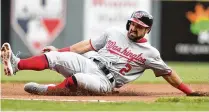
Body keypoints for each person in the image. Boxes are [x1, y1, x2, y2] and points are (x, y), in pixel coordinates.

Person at [1, 11, 204, 96]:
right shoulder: (114, 32)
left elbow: (169, 73)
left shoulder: (150, 53)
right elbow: (85, 46)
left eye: (139, 26)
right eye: (132, 24)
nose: (133, 28)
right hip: (89, 62)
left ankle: (47, 90)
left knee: (77, 80)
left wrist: (189, 91)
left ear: (147, 30)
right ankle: (16, 64)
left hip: (106, 82)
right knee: (53, 58)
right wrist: (59, 50)